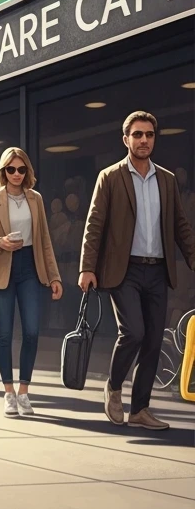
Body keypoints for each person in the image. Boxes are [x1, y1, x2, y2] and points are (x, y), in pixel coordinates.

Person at [79, 111, 195, 430]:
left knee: (154, 340)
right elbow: (94, 225)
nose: (144, 140)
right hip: (124, 270)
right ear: (126, 139)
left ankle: (140, 409)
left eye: (149, 135)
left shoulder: (167, 180)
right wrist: (87, 268)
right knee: (134, 332)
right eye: (138, 134)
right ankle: (114, 387)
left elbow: (181, 227)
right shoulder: (110, 177)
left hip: (157, 270)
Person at [0, 148, 62, 418]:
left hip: (30, 268)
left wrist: (54, 276)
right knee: (5, 334)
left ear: (27, 172)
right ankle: (8, 393)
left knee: (32, 331)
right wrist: (0, 242)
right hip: (1, 267)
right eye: (11, 169)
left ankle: (24, 391)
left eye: (21, 169)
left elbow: (45, 240)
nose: (16, 174)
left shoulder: (36, 199)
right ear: (3, 171)